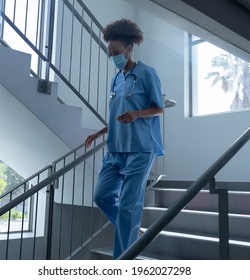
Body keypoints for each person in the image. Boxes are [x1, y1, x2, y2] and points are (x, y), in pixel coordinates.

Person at [84, 18, 164, 259]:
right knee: (102, 196)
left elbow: (159, 108)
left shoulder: (147, 73)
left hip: (140, 149)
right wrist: (101, 132)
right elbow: (118, 114)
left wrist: (138, 114)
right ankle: (131, 229)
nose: (113, 57)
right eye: (110, 53)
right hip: (116, 150)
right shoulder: (116, 78)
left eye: (116, 52)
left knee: (129, 206)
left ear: (130, 48)